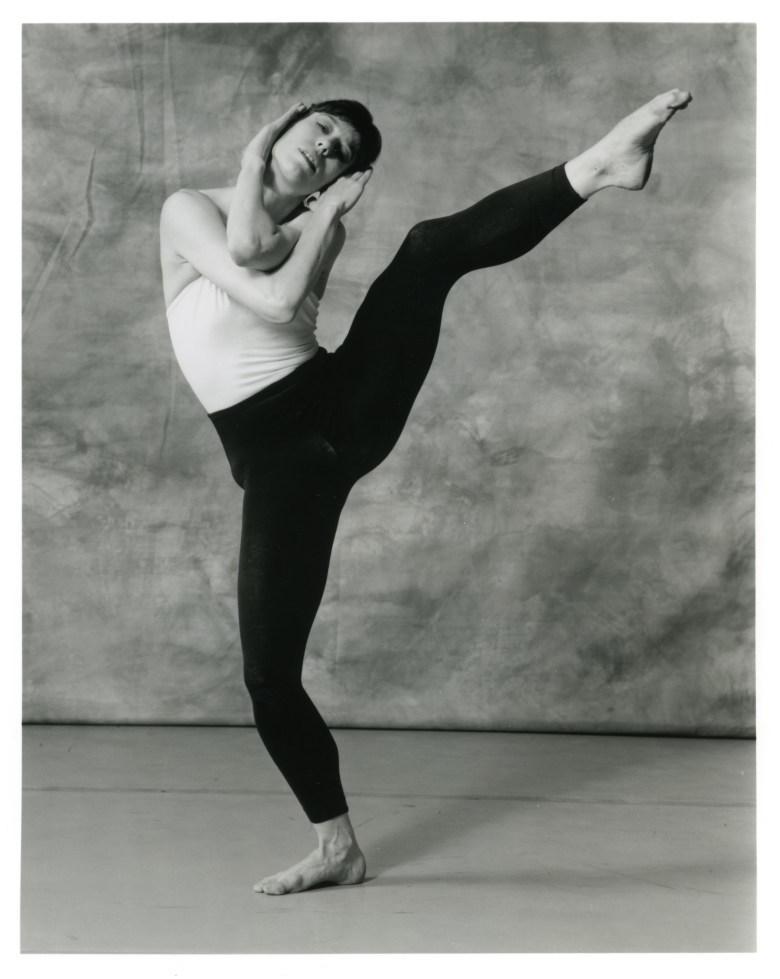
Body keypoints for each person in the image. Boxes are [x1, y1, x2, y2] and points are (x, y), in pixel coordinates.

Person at [159, 88, 692, 895]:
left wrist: (321, 219)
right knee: (268, 675)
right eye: (321, 129)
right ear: (284, 127)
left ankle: (599, 165)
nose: (328, 148)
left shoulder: (311, 225)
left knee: (428, 249)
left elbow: (271, 273)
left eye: (342, 151)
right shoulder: (185, 208)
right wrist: (267, 176)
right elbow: (260, 279)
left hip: (339, 406)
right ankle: (336, 846)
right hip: (278, 462)